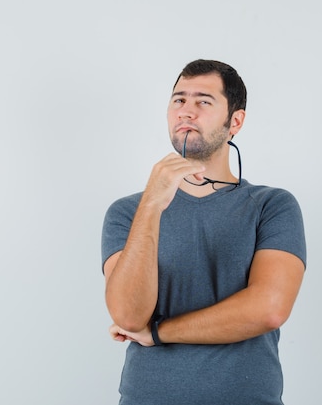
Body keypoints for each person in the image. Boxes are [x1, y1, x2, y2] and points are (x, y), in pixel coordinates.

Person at [101, 59, 306, 405]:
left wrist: (158, 332)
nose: (186, 111)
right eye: (179, 100)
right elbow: (128, 315)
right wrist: (152, 204)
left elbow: (269, 308)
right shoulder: (128, 212)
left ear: (234, 122)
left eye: (203, 102)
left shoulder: (271, 206)